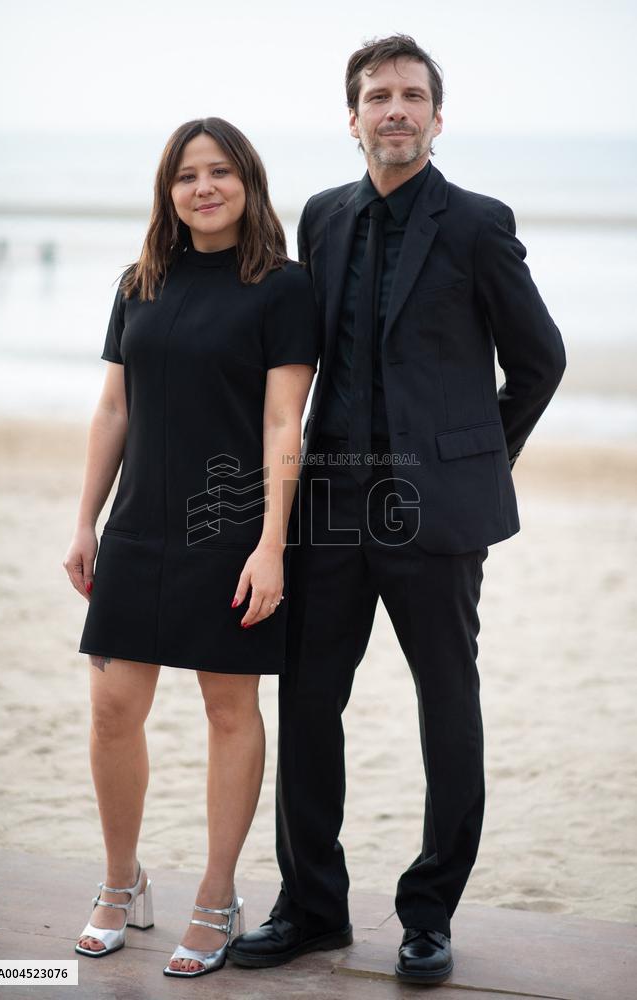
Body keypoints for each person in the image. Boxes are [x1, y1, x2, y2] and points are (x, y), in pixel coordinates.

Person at [228, 35, 566, 984]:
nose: (396, 110)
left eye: (413, 95)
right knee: (309, 704)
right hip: (331, 505)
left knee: (447, 707)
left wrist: (476, 457)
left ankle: (428, 913)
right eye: (378, 96)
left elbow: (540, 361)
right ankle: (313, 907)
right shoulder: (323, 217)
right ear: (354, 117)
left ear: (437, 116)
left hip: (435, 513)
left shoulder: (478, 224)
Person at [62, 117, 318, 979]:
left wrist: (271, 544)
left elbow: (283, 424)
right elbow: (114, 408)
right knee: (112, 709)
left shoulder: (283, 288)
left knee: (228, 710)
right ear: (167, 192)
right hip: (137, 526)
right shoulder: (140, 282)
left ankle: (217, 895)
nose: (203, 187)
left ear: (248, 181)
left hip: (228, 531)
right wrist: (85, 519)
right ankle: (120, 882)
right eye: (185, 175)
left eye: (219, 172)